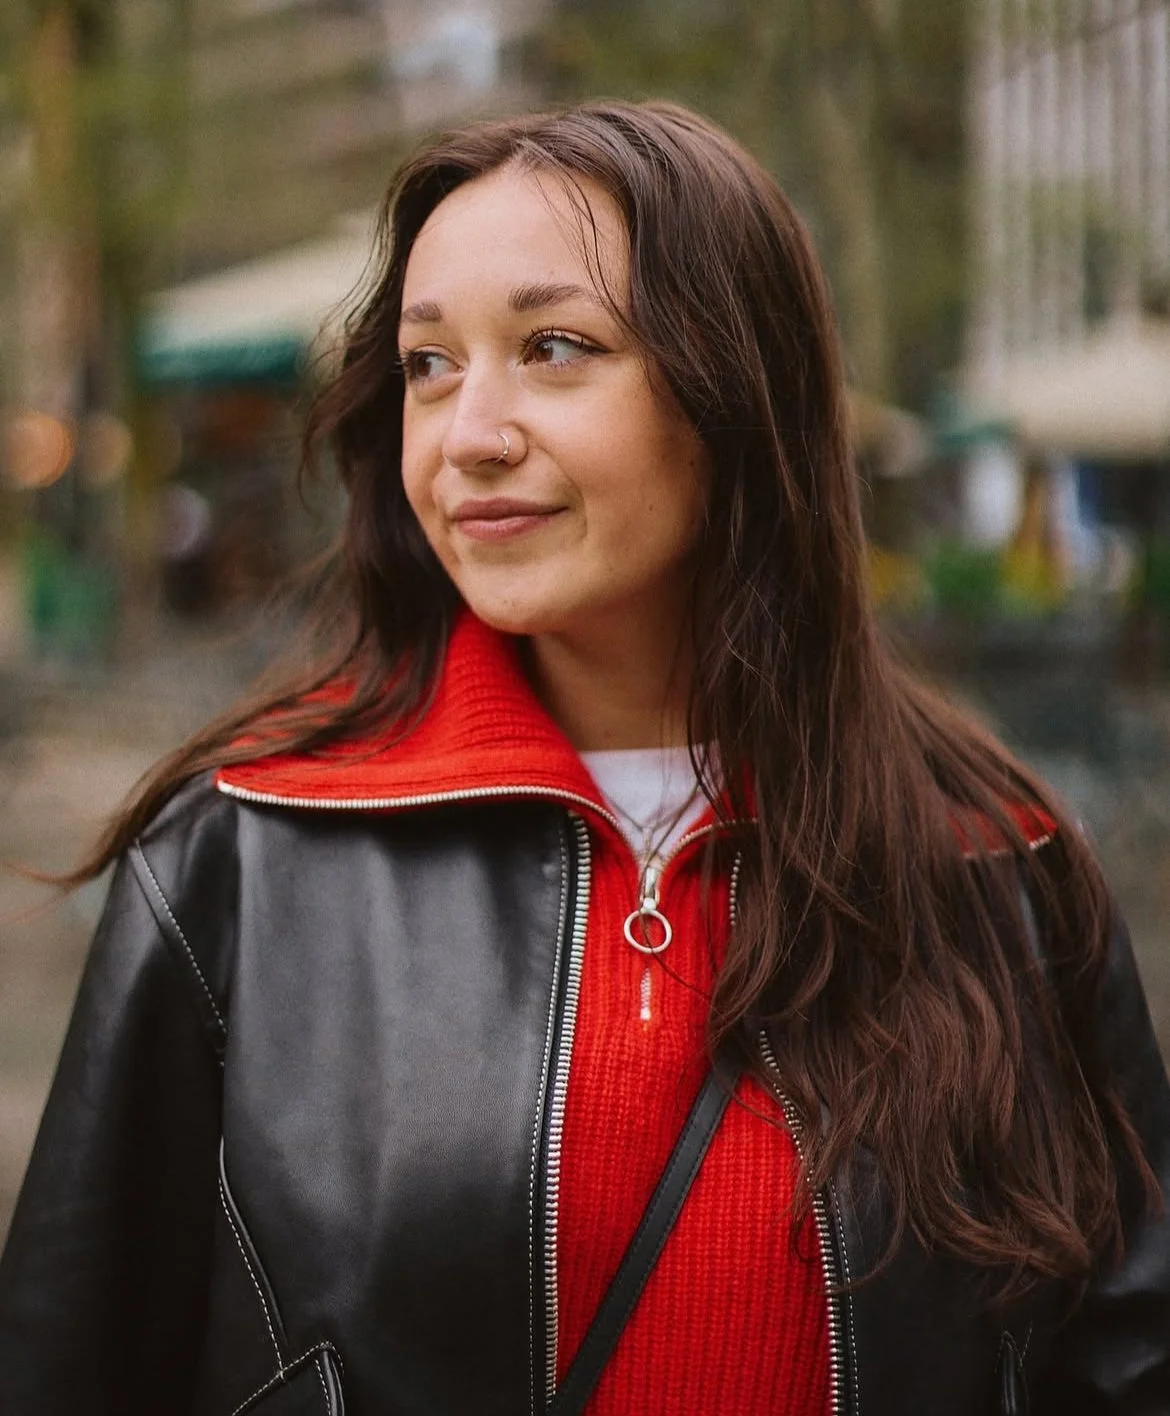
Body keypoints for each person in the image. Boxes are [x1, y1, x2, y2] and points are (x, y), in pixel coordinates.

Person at [1, 100, 1168, 1416]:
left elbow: (1121, 1355)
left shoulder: (994, 865)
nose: (469, 431)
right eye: (429, 364)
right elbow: (68, 1363)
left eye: (554, 348)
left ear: (734, 391)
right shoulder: (249, 849)